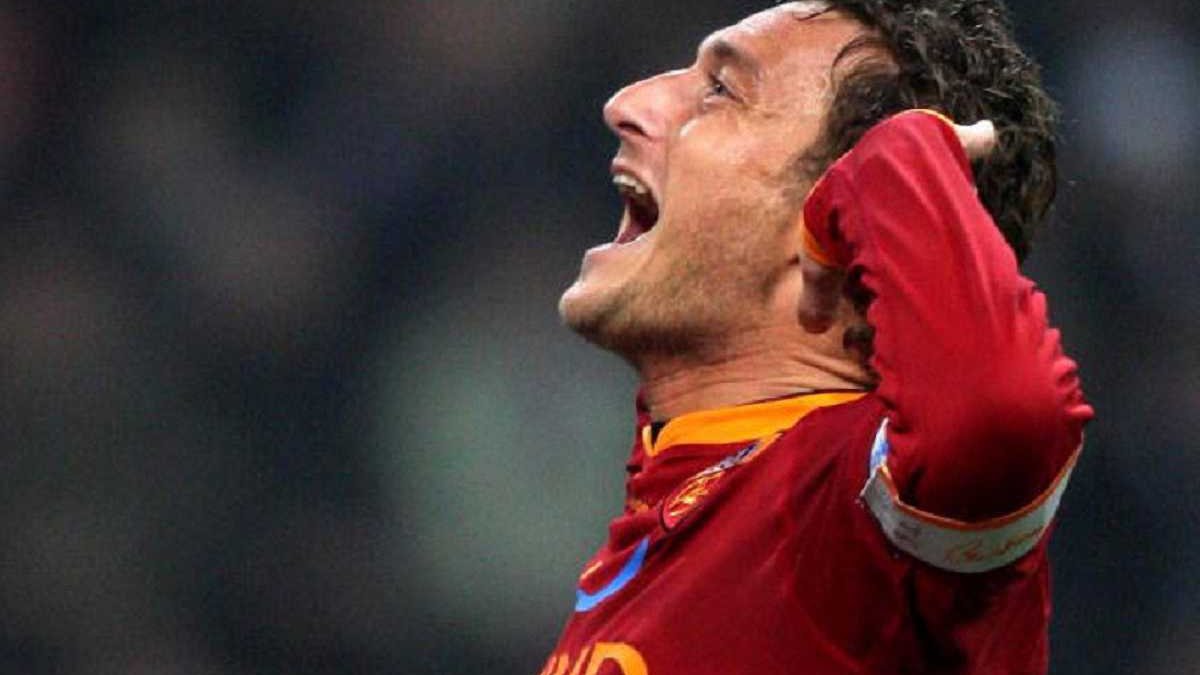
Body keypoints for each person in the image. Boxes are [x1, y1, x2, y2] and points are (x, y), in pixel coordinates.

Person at [544, 1, 1093, 673]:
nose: (626, 105)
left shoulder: (858, 510)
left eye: (721, 91)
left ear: (834, 216)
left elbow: (998, 416)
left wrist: (897, 163)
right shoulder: (685, 497)